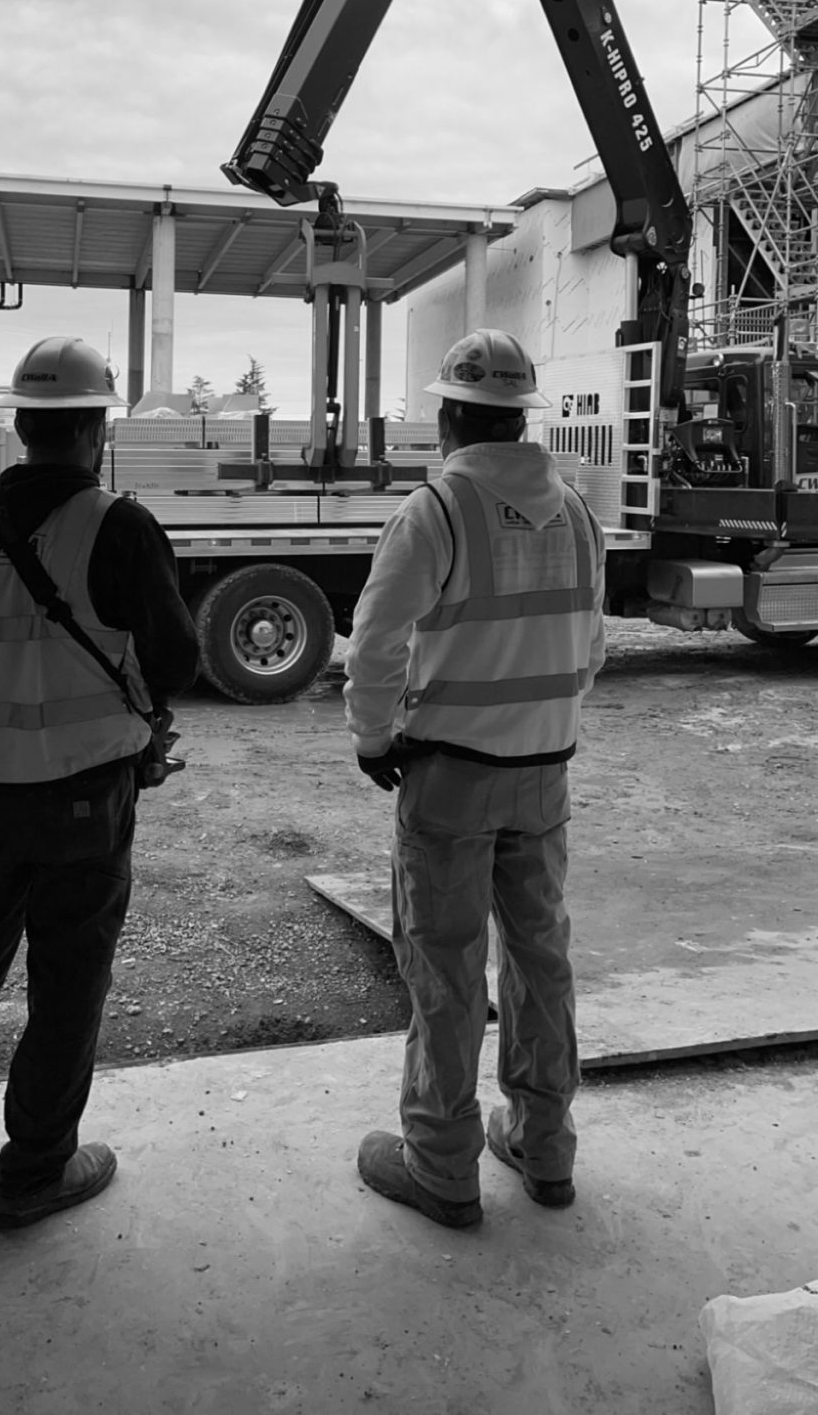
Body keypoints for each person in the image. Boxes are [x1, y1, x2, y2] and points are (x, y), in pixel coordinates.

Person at [0, 336, 200, 1230]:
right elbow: (177, 659)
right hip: (82, 793)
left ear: (23, 425)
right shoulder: (115, 524)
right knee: (68, 977)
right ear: (93, 427)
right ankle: (36, 1170)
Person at [343, 328, 605, 1230]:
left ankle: (442, 1165)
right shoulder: (574, 510)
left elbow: (377, 642)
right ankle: (544, 1147)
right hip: (545, 772)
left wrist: (374, 740)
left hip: (451, 776)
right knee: (541, 958)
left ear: (451, 414)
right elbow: (589, 649)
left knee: (445, 967)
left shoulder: (438, 510)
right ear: (520, 415)